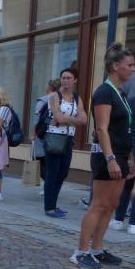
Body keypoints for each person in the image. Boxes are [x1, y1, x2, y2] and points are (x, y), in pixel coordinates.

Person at [71, 42, 135, 269]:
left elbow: (125, 128)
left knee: (111, 204)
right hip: (107, 157)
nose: (133, 69)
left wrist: (129, 158)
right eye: (130, 65)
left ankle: (97, 249)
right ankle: (81, 252)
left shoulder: (120, 92)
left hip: (120, 155)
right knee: (99, 205)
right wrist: (110, 159)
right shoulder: (104, 92)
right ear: (116, 66)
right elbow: (101, 128)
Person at [42, 69, 86, 218]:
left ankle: (53, 204)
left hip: (68, 139)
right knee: (52, 172)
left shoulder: (77, 98)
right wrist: (73, 120)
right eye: (63, 78)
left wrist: (65, 119)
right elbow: (58, 118)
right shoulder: (55, 96)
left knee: (63, 172)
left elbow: (84, 119)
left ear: (75, 80)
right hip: (54, 137)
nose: (65, 80)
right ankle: (49, 207)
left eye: (69, 78)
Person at [109, 81, 135, 234]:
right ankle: (134, 224)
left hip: (130, 148)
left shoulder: (130, 101)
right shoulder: (132, 101)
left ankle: (118, 220)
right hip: (134, 148)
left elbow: (125, 126)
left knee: (126, 185)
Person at [33, 78, 62, 191]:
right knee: (53, 162)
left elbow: (37, 119)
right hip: (58, 135)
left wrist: (33, 134)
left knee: (41, 162)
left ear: (49, 87)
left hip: (43, 134)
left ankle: (49, 186)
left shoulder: (43, 100)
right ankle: (51, 186)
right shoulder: (63, 100)